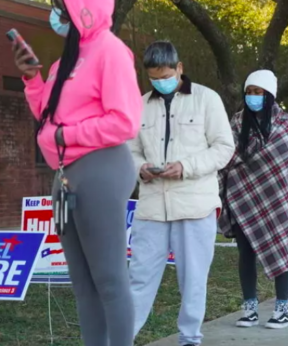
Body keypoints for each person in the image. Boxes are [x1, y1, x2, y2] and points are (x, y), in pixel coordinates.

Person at [13, 0, 142, 344]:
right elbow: (48, 112)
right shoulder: (64, 61)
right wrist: (32, 79)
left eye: (61, 5)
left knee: (110, 280)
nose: (56, 13)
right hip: (66, 174)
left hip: (101, 169)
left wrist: (65, 136)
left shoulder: (110, 51)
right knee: (82, 283)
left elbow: (124, 121)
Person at [127, 41, 235, 346]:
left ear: (179, 69)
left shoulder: (206, 99)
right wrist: (141, 167)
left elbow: (224, 148)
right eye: (153, 78)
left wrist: (185, 166)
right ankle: (121, 337)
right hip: (151, 206)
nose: (160, 82)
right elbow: (129, 150)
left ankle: (189, 338)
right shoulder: (140, 105)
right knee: (139, 278)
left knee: (193, 280)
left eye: (165, 75)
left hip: (195, 205)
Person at [219, 70, 288, 329]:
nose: (253, 97)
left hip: (277, 198)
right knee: (245, 254)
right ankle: (249, 307)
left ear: (269, 94)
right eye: (249, 92)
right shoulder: (237, 121)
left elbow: (275, 157)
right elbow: (227, 153)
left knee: (281, 248)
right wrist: (242, 164)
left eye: (258, 92)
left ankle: (282, 307)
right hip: (243, 197)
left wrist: (244, 162)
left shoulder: (283, 121)